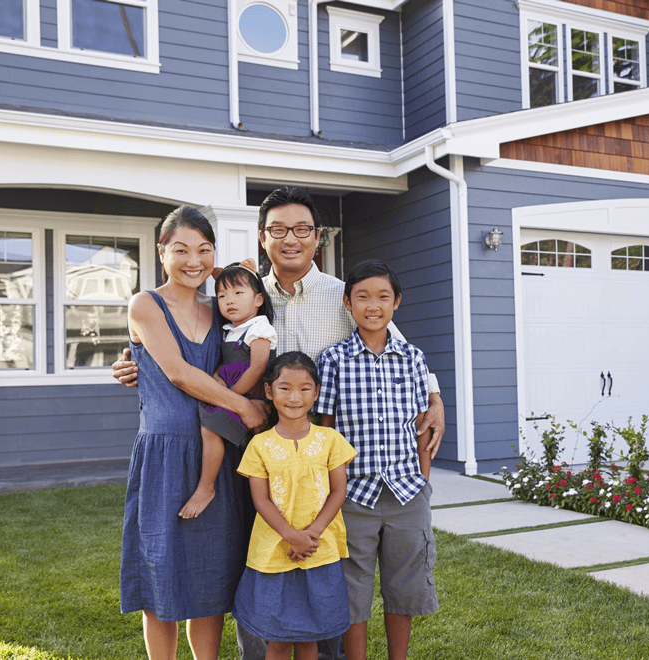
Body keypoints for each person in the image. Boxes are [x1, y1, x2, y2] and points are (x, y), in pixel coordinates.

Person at [113, 187, 445, 659]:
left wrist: (434, 396)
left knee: (320, 565)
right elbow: (176, 352)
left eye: (303, 230)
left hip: (317, 455)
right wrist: (132, 360)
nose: (291, 239)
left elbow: (389, 337)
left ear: (316, 237)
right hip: (250, 450)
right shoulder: (241, 294)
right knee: (257, 559)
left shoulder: (342, 296)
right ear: (263, 238)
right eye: (279, 230)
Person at [120, 206, 268, 660]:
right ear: (161, 252)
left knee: (209, 582)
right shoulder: (145, 303)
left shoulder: (220, 306)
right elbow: (179, 373)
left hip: (215, 455)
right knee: (160, 581)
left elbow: (248, 285)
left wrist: (225, 269)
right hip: (164, 454)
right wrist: (244, 404)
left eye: (204, 250)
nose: (193, 261)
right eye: (180, 250)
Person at [316, 259, 438, 660]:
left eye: (383, 296)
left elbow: (423, 427)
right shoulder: (334, 360)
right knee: (354, 590)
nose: (373, 305)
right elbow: (327, 430)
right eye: (362, 297)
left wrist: (422, 481)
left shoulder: (413, 358)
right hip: (354, 495)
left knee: (405, 587)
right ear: (348, 304)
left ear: (396, 303)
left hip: (406, 493)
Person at [232, 351, 357, 660]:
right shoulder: (259, 444)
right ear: (269, 391)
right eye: (285, 387)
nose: (294, 397)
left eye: (304, 388)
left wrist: (310, 535)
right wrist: (291, 535)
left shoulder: (330, 439)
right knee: (277, 639)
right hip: (275, 553)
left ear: (316, 392)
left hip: (319, 550)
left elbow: (338, 492)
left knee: (309, 637)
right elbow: (260, 499)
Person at [180, 261, 277, 520]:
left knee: (210, 428)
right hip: (232, 394)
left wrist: (231, 398)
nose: (228, 301)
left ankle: (206, 486)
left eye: (237, 293)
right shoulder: (229, 330)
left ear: (258, 299)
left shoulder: (260, 328)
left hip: (248, 395)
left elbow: (257, 368)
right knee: (209, 427)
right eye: (221, 295)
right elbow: (226, 362)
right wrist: (215, 377)